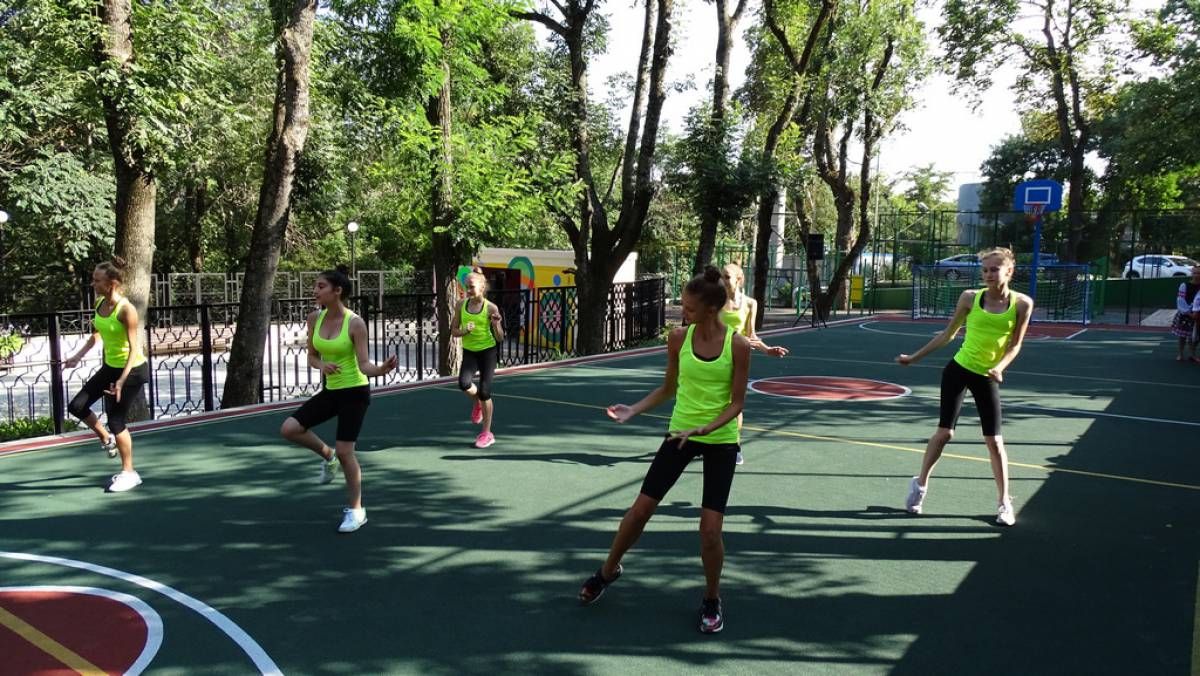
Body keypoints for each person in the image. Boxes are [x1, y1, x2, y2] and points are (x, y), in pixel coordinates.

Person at [578, 267, 751, 634]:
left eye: (688, 308)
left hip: (719, 438)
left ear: (710, 309)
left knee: (710, 530)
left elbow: (737, 403)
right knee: (640, 510)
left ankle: (712, 598)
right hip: (679, 433)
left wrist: (707, 428)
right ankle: (607, 571)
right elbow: (668, 388)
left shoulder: (737, 345)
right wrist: (633, 410)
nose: (681, 312)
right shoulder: (677, 339)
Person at [895, 247, 1033, 526]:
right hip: (958, 370)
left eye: (994, 269)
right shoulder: (970, 297)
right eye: (985, 270)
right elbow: (948, 334)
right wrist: (914, 358)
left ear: (1009, 271)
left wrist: (999, 367)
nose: (988, 274)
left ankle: (1004, 503)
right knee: (945, 433)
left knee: (994, 441)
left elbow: (1015, 345)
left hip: (987, 375)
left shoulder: (1022, 304)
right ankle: (920, 486)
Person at [280, 267, 398, 533]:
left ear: (337, 291)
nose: (315, 290)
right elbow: (312, 356)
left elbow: (364, 364)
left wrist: (382, 370)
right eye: (315, 285)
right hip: (331, 391)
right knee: (289, 428)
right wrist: (321, 365)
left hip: (355, 393)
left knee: (347, 452)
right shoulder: (314, 318)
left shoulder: (355, 323)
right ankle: (328, 456)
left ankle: (356, 511)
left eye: (320, 286)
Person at [62, 257, 149, 492]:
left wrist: (121, 381)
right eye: (93, 279)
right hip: (111, 367)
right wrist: (77, 356)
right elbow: (97, 334)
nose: (93, 284)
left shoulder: (126, 310)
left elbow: (135, 349)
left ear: (112, 283)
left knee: (116, 420)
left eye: (97, 280)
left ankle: (129, 473)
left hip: (132, 370)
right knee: (77, 406)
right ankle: (106, 439)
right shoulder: (100, 303)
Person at [719, 263, 789, 465]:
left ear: (739, 279)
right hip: (717, 357)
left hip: (739, 358)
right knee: (714, 401)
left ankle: (734, 445)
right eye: (722, 276)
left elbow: (751, 335)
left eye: (727, 276)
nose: (723, 280)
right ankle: (704, 441)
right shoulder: (715, 302)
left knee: (736, 404)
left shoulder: (750, 303)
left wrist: (767, 350)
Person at [450, 268, 504, 449]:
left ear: (482, 287)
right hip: (470, 352)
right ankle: (478, 404)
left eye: (471, 287)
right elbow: (454, 331)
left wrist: (496, 325)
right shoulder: (460, 305)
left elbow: (500, 338)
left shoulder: (491, 308)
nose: (468, 290)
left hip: (488, 352)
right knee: (464, 383)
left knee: (485, 392)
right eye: (466, 287)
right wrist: (465, 331)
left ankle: (487, 433)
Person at [1170, 266, 1200, 362]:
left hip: (1198, 314)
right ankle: (1180, 354)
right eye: (1195, 273)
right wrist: (1189, 312)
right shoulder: (1184, 285)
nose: (1197, 275)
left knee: (1196, 336)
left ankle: (1192, 354)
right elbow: (1180, 300)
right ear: (1192, 274)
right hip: (1186, 313)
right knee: (1182, 335)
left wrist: (1196, 312)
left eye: (1198, 273)